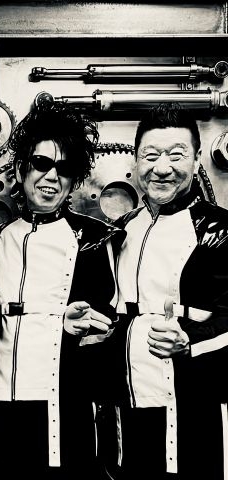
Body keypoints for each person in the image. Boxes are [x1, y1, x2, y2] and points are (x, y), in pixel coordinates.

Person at [0, 104, 122, 479]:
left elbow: (110, 322)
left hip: (66, 404)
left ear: (74, 180)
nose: (51, 176)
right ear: (20, 169)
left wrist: (88, 325)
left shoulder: (95, 242)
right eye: (41, 163)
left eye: (64, 168)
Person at [109, 102, 228, 480]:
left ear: (196, 160)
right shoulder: (119, 232)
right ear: (135, 160)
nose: (162, 168)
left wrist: (191, 342)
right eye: (151, 155)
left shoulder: (222, 231)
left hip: (199, 409)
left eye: (176, 155)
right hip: (129, 407)